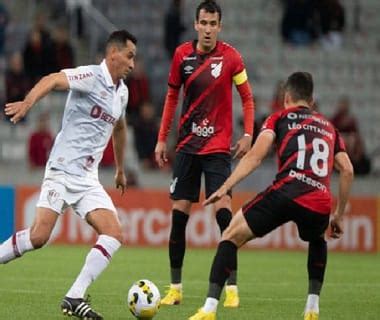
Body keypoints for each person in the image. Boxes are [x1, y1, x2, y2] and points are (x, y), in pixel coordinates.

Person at [189, 72, 354, 320]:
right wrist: (339, 215)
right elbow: (348, 170)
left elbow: (255, 157)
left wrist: (225, 187)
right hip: (319, 200)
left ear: (286, 96)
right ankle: (312, 308)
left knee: (230, 236)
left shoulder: (279, 117)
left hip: (287, 191)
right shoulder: (329, 127)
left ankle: (209, 309)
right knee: (318, 238)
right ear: (312, 99)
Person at [2, 29, 137, 319]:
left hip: (88, 179)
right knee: (39, 237)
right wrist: (27, 103)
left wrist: (122, 168)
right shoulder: (90, 76)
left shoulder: (122, 92)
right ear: (113, 54)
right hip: (62, 170)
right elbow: (52, 80)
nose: (132, 64)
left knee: (113, 234)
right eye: (129, 56)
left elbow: (120, 128)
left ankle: (74, 297)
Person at [155, 0, 255, 308]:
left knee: (224, 216)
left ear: (219, 26)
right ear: (196, 24)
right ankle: (175, 288)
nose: (209, 29)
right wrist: (162, 140)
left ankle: (232, 289)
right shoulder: (181, 55)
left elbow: (247, 98)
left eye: (214, 24)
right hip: (186, 147)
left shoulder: (232, 58)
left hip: (217, 150)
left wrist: (249, 134)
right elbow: (172, 97)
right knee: (178, 218)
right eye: (204, 23)